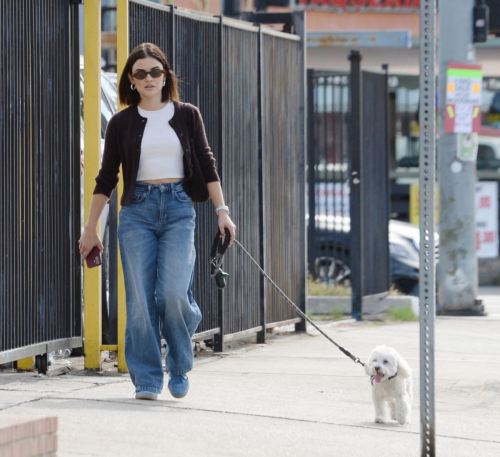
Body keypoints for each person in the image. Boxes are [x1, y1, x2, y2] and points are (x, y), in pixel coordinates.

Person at [79, 43, 236, 401]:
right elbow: (106, 178)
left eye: (155, 72)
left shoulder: (187, 114)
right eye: (140, 74)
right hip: (137, 212)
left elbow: (207, 164)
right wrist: (91, 228)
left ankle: (179, 364)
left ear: (165, 76)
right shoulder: (121, 122)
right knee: (139, 301)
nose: (148, 78)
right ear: (131, 81)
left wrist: (222, 211)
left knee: (172, 293)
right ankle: (147, 379)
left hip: (179, 209)